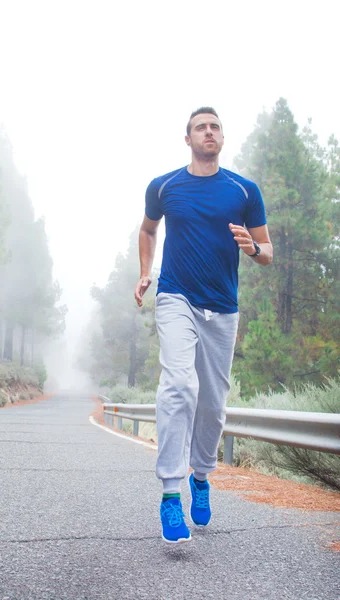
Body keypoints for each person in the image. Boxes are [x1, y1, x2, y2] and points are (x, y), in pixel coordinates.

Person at [134, 107, 273, 544]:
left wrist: (253, 248)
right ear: (188, 137)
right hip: (176, 297)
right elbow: (147, 230)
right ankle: (171, 494)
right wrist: (145, 271)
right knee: (179, 385)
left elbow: (268, 251)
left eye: (215, 127)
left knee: (212, 404)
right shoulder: (165, 186)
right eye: (201, 127)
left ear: (222, 138)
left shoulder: (243, 190)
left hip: (222, 308)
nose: (208, 132)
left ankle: (201, 476)